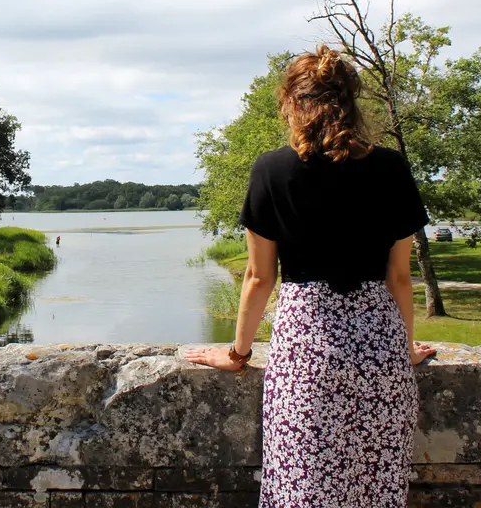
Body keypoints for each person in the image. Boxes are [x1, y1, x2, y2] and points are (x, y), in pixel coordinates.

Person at [186, 44, 435, 508]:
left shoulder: (271, 169)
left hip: (307, 354)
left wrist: (238, 354)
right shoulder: (391, 167)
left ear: (292, 103)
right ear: (351, 104)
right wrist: (402, 351)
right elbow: (400, 278)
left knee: (304, 490)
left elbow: (260, 279)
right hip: (380, 353)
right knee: (375, 491)